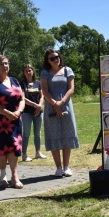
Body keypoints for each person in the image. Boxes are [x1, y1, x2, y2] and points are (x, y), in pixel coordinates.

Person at [0, 55, 25, 189]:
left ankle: (15, 176)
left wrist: (18, 112)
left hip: (15, 118)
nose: (5, 66)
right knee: (2, 147)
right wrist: (6, 113)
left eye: (6, 63)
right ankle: (3, 176)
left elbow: (22, 99)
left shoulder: (15, 80)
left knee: (14, 146)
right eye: (1, 64)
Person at [40, 49, 79, 177]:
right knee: (54, 134)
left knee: (67, 133)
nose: (56, 59)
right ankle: (58, 167)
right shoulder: (45, 73)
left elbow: (71, 88)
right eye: (52, 58)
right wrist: (55, 104)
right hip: (51, 107)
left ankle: (66, 167)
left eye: (57, 57)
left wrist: (61, 103)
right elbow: (45, 91)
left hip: (66, 105)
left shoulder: (68, 70)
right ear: (48, 61)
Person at [20, 64, 46, 162]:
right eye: (26, 71)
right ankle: (24, 154)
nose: (28, 72)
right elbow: (22, 98)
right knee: (26, 133)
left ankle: (38, 152)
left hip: (39, 112)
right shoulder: (22, 83)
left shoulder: (38, 83)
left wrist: (39, 106)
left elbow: (42, 96)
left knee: (38, 133)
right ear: (24, 73)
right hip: (27, 112)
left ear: (33, 71)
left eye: (30, 70)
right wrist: (35, 105)